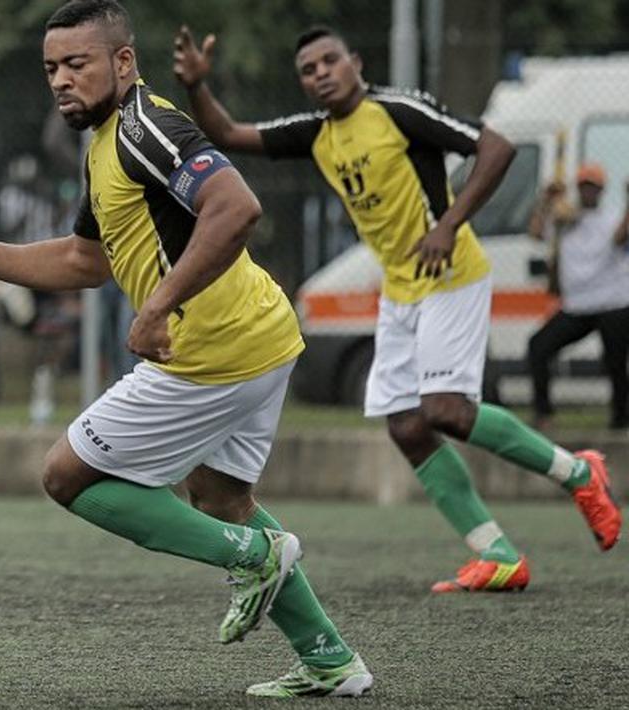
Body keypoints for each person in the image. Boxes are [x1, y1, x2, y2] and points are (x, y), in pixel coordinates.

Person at [0, 1, 371, 698]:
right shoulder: (103, 143)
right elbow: (81, 260)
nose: (60, 80)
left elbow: (236, 207)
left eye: (77, 64)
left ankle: (253, 556)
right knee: (218, 495)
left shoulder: (146, 127)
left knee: (68, 476)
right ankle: (329, 659)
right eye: (50, 69)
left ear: (122, 62)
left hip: (212, 350)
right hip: (258, 336)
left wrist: (157, 305)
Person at [173, 24, 622, 593]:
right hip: (401, 290)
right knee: (408, 426)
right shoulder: (316, 133)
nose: (320, 75)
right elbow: (228, 132)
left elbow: (497, 147)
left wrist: (448, 226)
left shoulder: (400, 110)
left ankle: (580, 472)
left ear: (355, 63)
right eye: (308, 71)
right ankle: (498, 553)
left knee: (447, 410)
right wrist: (195, 85)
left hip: (451, 273)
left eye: (329, 61)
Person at [527, 165, 629, 431]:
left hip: (613, 303)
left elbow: (620, 239)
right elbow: (536, 232)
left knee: (615, 361)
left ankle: (621, 419)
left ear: (602, 190)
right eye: (583, 186)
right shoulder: (565, 221)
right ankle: (543, 414)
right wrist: (545, 199)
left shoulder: (612, 217)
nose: (588, 192)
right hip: (577, 306)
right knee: (538, 347)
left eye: (592, 187)